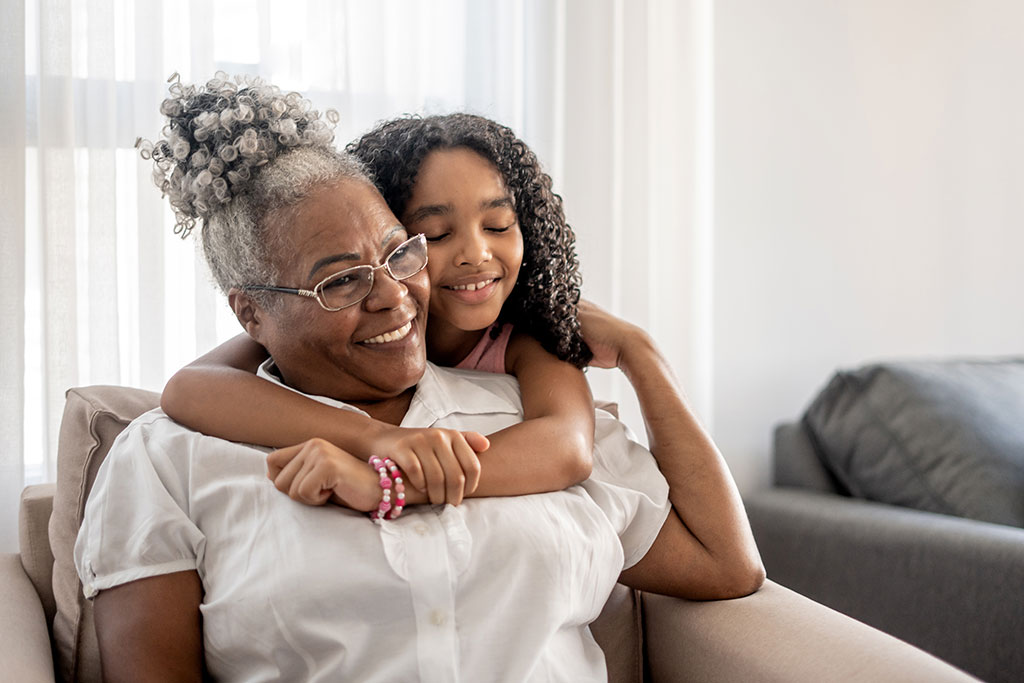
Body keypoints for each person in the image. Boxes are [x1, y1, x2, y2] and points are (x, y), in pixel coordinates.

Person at [75, 74, 763, 681]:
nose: (394, 297)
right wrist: (373, 437)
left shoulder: (528, 400)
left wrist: (643, 356)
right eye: (342, 281)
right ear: (251, 312)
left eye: (399, 255)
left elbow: (724, 564)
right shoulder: (167, 457)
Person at [160, 112, 597, 506]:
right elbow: (189, 387)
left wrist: (388, 483)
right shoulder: (318, 325)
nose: (475, 255)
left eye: (498, 225)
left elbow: (568, 446)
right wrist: (378, 439)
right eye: (437, 234)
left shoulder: (524, 336)